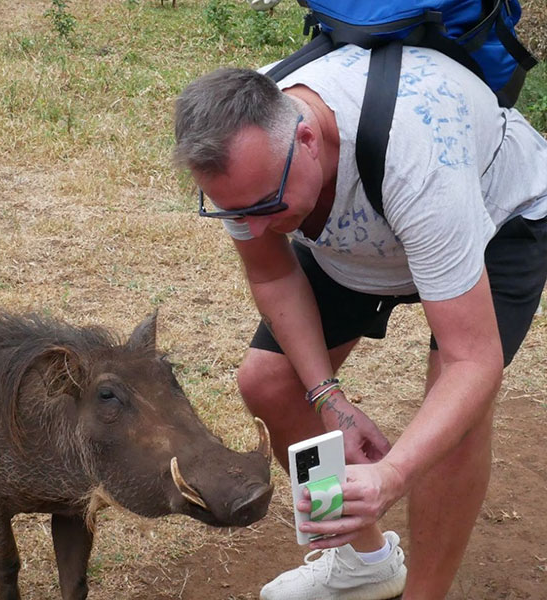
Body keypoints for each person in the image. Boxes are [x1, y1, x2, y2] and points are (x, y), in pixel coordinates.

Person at [173, 42, 547, 600]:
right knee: (271, 383)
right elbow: (273, 276)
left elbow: (473, 361)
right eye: (233, 212)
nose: (252, 225)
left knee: (456, 412)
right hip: (356, 236)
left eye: (263, 206)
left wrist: (391, 476)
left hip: (492, 218)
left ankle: (426, 593)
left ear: (305, 137)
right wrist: (330, 400)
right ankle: (363, 560)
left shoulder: (416, 152)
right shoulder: (243, 160)